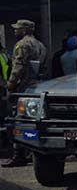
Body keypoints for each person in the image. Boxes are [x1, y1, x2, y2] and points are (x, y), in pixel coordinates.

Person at [1, 19, 47, 168]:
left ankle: (18, 154)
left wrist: (10, 84)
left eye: (18, 29)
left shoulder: (22, 45)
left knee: (17, 120)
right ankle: (30, 151)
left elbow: (18, 67)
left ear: (25, 30)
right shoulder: (41, 45)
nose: (15, 31)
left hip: (23, 88)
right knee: (32, 121)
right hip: (37, 87)